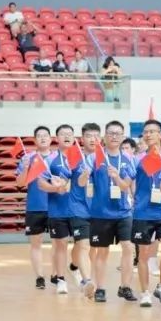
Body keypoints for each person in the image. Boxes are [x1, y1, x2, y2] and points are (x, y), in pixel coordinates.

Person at [80, 121, 137, 303]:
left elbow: (125, 186)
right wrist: (85, 174)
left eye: (118, 133)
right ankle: (100, 288)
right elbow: (81, 183)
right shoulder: (94, 157)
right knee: (102, 251)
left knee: (128, 247)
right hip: (100, 213)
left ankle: (125, 287)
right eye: (111, 133)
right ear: (104, 136)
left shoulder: (128, 158)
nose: (114, 136)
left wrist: (116, 177)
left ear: (123, 137)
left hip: (123, 212)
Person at [131, 119, 161, 308]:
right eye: (146, 132)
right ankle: (145, 292)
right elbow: (128, 180)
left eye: (153, 131)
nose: (149, 134)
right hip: (143, 213)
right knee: (143, 255)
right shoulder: (137, 159)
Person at [16, 127, 54, 290]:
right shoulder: (28, 158)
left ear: (51, 139)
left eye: (45, 135)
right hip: (35, 206)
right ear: (35, 140)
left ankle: (57, 274)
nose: (43, 138)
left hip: (56, 207)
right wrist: (25, 168)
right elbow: (20, 183)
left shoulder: (58, 157)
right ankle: (39, 277)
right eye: (39, 136)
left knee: (58, 243)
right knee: (36, 243)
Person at [65, 123, 97, 298]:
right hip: (78, 208)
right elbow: (64, 178)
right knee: (83, 244)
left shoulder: (103, 158)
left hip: (98, 209)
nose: (93, 139)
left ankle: (74, 267)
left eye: (96, 136)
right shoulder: (74, 156)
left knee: (90, 247)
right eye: (89, 136)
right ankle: (87, 280)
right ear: (82, 138)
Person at [44, 125, 77, 295]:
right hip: (58, 209)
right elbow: (41, 183)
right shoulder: (50, 159)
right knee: (61, 244)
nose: (67, 136)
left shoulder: (81, 157)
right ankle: (61, 279)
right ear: (56, 138)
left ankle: (76, 267)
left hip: (79, 209)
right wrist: (54, 187)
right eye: (63, 134)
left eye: (70, 134)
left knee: (83, 244)